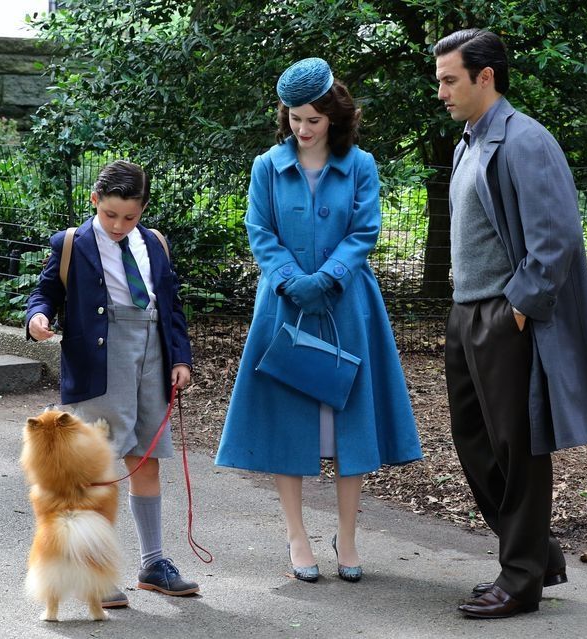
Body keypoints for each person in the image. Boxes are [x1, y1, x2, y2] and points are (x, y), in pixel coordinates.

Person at [215, 58, 422, 583]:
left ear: (334, 116)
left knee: (349, 423)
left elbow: (365, 230)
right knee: (289, 423)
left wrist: (327, 279)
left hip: (347, 304)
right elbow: (259, 230)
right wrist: (291, 280)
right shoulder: (267, 166)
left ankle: (346, 537)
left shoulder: (361, 164)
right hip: (284, 304)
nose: (302, 129)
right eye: (294, 119)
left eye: (313, 119)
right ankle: (297, 536)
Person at [433, 29, 587, 618]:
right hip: (466, 313)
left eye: (450, 80)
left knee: (518, 450)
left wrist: (518, 308)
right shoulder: (468, 141)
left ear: (485, 77)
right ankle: (539, 553)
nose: (441, 92)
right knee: (475, 444)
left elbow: (556, 237)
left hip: (503, 314)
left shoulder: (525, 140)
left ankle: (520, 580)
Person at [25, 160, 199, 607]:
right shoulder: (72, 243)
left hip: (153, 355)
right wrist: (37, 317)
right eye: (110, 215)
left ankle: (153, 563)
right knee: (98, 467)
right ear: (95, 201)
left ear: (143, 210)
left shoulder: (154, 242)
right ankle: (93, 570)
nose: (120, 225)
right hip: (101, 358)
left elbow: (171, 305)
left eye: (130, 217)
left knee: (147, 457)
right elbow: (45, 292)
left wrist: (180, 357)